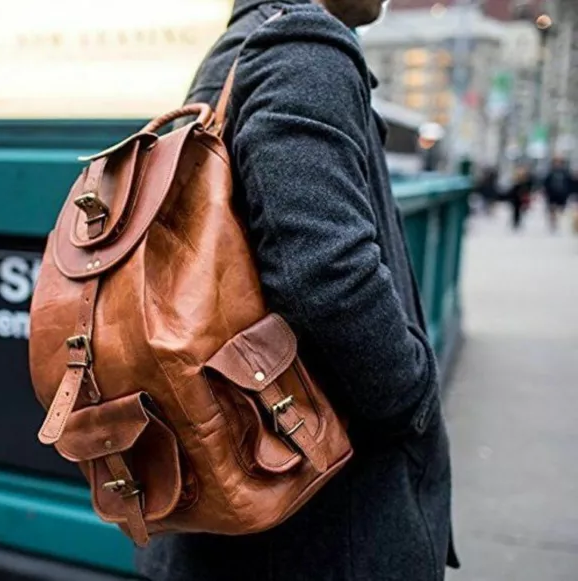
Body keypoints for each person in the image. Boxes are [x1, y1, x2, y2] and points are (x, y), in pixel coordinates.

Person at [136, 1, 458, 580]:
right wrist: (414, 400)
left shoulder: (230, 56)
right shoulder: (303, 49)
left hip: (236, 509)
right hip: (332, 529)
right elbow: (326, 274)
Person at [542, 156, 574, 231]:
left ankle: (558, 221)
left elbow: (570, 183)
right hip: (552, 194)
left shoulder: (565, 173)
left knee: (561, 210)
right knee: (552, 209)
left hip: (562, 194)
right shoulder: (550, 172)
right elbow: (545, 183)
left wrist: (569, 192)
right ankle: (553, 222)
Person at [507, 165, 533, 230]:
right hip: (515, 198)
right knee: (516, 211)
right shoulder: (515, 179)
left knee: (521, 211)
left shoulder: (526, 180)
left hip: (522, 198)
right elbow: (512, 189)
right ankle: (516, 223)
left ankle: (518, 222)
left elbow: (528, 188)